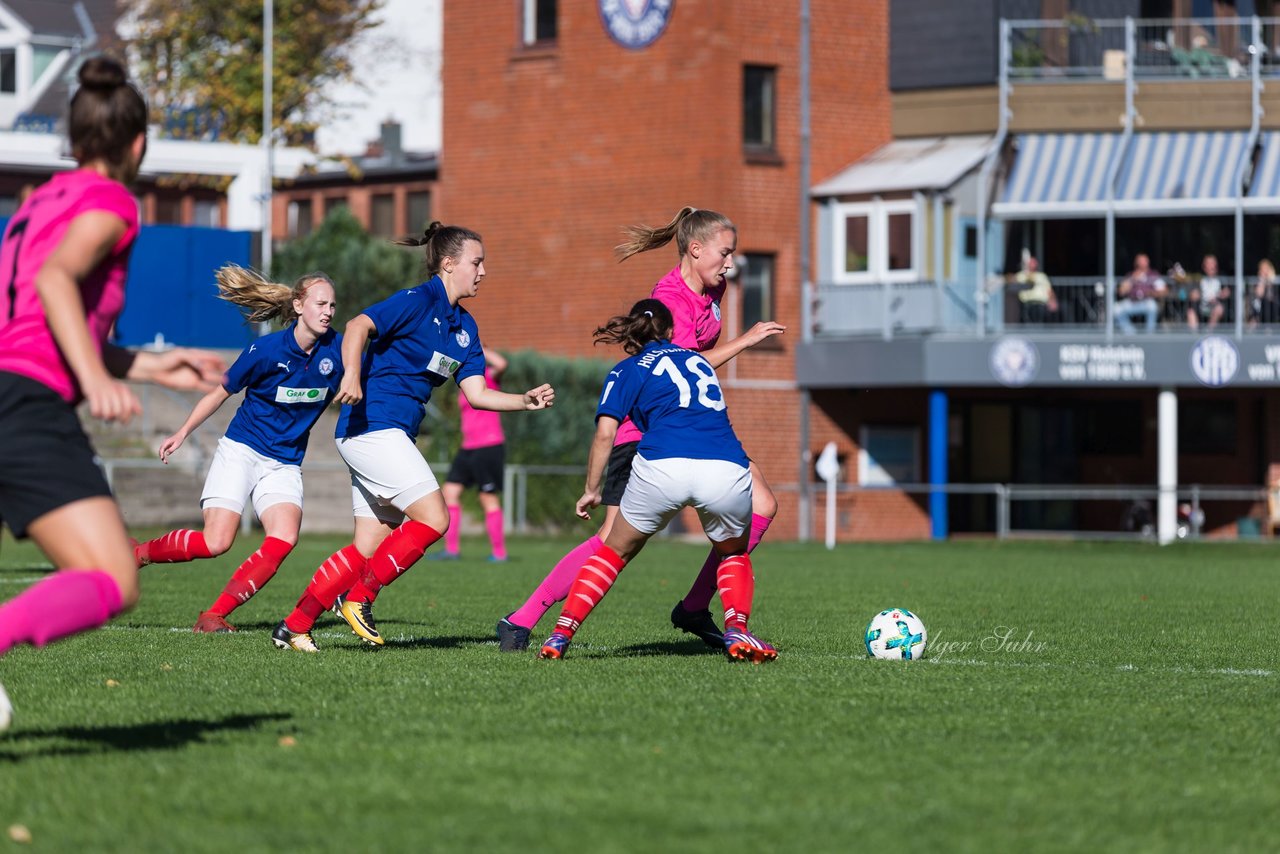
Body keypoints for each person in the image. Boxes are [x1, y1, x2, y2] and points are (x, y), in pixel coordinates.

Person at [0, 57, 226, 730]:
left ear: (74, 141)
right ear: (137, 143)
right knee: (113, 578)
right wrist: (96, 381)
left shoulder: (38, 202)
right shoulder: (111, 202)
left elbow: (35, 322)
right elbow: (56, 285)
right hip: (23, 406)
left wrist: (149, 367)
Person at [496, 206, 785, 652]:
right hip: (645, 432)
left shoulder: (714, 288)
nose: (730, 263)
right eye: (725, 253)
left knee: (762, 503)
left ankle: (694, 606)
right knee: (611, 544)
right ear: (695, 249)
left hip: (687, 427)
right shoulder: (669, 298)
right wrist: (746, 341)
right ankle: (523, 617)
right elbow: (681, 364)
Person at [270, 222, 555, 653]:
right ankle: (361, 599)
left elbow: (477, 394)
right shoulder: (416, 301)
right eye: (476, 263)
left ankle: (294, 625)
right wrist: (351, 373)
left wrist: (523, 400)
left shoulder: (465, 328)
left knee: (369, 546)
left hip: (387, 434)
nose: (483, 272)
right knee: (435, 518)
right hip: (372, 427)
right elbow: (357, 326)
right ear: (448, 264)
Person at [537, 299, 776, 663]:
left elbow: (605, 434)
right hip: (724, 466)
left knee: (613, 553)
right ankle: (737, 629)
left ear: (634, 332)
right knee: (732, 552)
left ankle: (559, 635)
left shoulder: (626, 370)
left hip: (662, 466)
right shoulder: (696, 360)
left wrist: (591, 490)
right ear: (669, 332)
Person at [131, 266, 344, 633]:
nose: (327, 311)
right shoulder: (265, 350)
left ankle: (213, 615)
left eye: (333, 305)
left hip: (284, 462)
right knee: (216, 542)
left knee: (284, 538)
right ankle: (138, 554)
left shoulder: (339, 351)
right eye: (320, 303)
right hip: (241, 451)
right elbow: (218, 394)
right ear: (298, 305)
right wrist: (183, 432)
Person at [434, 346, 509, 562]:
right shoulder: (464, 384)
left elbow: (502, 363)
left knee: (488, 498)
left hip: (489, 446)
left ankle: (499, 553)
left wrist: (478, 347)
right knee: (449, 493)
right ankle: (451, 550)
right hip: (467, 448)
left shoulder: (488, 378)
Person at [1114, 253, 1167, 334]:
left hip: (1147, 301)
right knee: (1115, 309)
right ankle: (1131, 333)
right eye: (1140, 261)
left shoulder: (1153, 275)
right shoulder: (1131, 275)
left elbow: (1164, 291)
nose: (1142, 263)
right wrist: (1132, 280)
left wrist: (1151, 293)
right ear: (1136, 263)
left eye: (1144, 261)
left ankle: (1149, 333)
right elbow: (1121, 291)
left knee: (1152, 306)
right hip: (1132, 302)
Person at [1186, 254, 1227, 331]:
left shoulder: (1222, 279)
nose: (1211, 266)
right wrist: (1194, 295)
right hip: (1201, 308)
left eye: (1213, 263)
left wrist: (1222, 295)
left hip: (1215, 309)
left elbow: (1227, 291)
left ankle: (1208, 333)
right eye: (1209, 264)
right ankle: (1194, 337)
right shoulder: (1199, 279)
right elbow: (1191, 294)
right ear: (1204, 266)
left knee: (1219, 309)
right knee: (1190, 312)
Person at [1013, 255, 1058, 323]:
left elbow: (1049, 290)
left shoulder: (1042, 276)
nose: (1034, 264)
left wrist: (1053, 300)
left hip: (1041, 304)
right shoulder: (1022, 275)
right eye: (1032, 263)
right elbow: (1012, 280)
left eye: (1034, 263)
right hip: (1028, 304)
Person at [1250, 259, 1278, 328]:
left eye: (1265, 269)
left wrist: (1268, 282)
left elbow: (1271, 296)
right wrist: (1262, 281)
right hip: (1258, 307)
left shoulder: (1274, 281)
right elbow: (1259, 294)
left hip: (1271, 308)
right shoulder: (1259, 281)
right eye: (1262, 269)